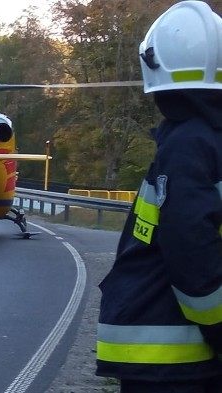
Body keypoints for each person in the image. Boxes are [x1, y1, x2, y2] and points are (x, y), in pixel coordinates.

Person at [96, 2, 222, 392]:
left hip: (166, 354)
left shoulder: (189, 142)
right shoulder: (196, 144)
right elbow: (192, 253)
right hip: (175, 355)